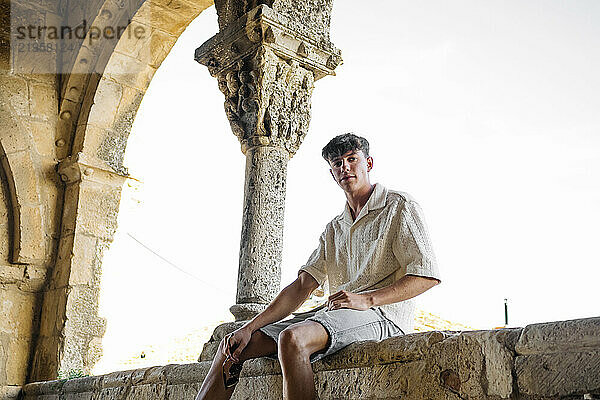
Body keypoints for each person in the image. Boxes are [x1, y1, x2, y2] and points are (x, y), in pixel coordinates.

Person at [196, 133, 441, 400]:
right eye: (337, 163)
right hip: (334, 315)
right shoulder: (335, 228)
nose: (345, 167)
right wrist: (249, 327)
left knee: (293, 339)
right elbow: (303, 285)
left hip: (383, 316)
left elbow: (426, 275)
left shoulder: (399, 207)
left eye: (352, 159)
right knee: (231, 347)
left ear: (368, 164)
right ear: (332, 173)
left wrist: (367, 299)